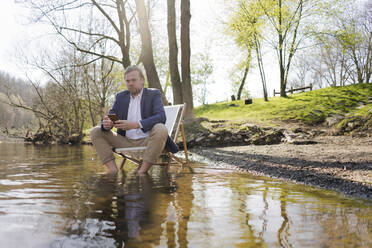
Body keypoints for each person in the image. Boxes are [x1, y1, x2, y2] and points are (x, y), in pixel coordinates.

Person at [90, 65, 178, 174]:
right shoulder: (120, 97)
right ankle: (113, 171)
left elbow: (161, 117)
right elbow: (111, 115)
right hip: (125, 141)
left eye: (133, 80)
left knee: (161, 129)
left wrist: (136, 124)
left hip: (148, 140)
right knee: (95, 131)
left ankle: (142, 172)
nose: (130, 83)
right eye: (127, 81)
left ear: (142, 80)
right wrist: (107, 124)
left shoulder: (153, 94)